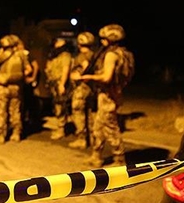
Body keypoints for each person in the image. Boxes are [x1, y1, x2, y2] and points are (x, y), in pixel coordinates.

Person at [78, 23, 134, 167]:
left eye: (104, 38)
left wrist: (90, 77)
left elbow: (107, 77)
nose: (102, 41)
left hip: (108, 95)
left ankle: (120, 159)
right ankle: (96, 156)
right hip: (113, 93)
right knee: (98, 127)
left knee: (110, 128)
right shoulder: (123, 53)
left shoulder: (111, 55)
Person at [0, 34, 31, 143]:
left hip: (3, 87)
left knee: (1, 111)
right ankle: (16, 133)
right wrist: (18, 78)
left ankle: (1, 135)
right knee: (15, 111)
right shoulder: (21, 55)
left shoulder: (2, 55)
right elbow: (28, 69)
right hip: (16, 87)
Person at [68, 31, 97, 149]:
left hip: (81, 88)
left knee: (78, 112)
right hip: (91, 88)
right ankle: (92, 138)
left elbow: (86, 67)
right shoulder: (94, 55)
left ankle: (81, 139)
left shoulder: (82, 56)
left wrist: (79, 76)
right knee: (89, 113)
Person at [45, 36, 74, 140]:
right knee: (57, 106)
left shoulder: (65, 56)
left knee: (60, 107)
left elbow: (65, 70)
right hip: (54, 84)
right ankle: (60, 127)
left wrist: (62, 84)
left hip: (60, 83)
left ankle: (61, 130)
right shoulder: (54, 56)